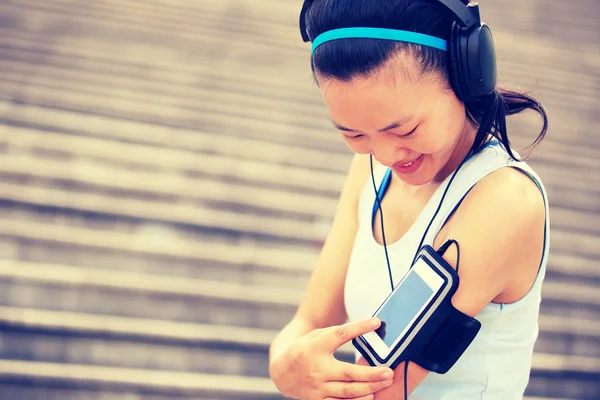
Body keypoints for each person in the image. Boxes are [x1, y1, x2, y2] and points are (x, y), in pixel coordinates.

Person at [269, 1, 550, 399]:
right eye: (355, 135)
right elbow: (311, 321)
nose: (384, 156)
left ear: (466, 74)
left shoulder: (504, 202)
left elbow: (375, 387)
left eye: (405, 130)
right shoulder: (371, 170)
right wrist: (284, 363)